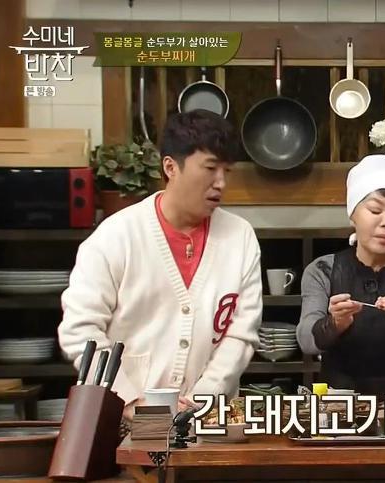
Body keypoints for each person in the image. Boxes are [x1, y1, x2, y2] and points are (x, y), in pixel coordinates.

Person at [58, 110, 262, 420]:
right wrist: (129, 401)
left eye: (227, 171)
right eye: (210, 168)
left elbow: (241, 333)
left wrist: (200, 400)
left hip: (207, 421)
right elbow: (80, 331)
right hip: (122, 421)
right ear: (170, 167)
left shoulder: (239, 236)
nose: (220, 182)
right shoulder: (116, 236)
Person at [296, 155, 385, 404]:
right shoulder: (322, 270)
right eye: (375, 210)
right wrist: (335, 323)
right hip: (339, 404)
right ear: (352, 213)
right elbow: (306, 341)